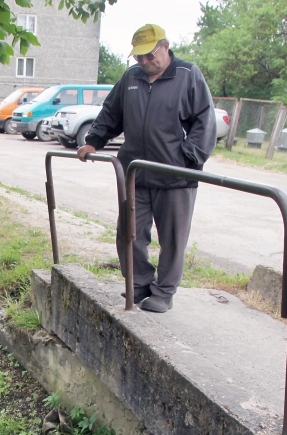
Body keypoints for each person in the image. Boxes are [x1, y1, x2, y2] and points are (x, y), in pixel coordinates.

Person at [77, 24, 216, 313]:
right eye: (138, 56)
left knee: (172, 239)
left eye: (149, 55)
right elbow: (111, 113)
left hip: (176, 176)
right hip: (135, 173)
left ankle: (164, 291)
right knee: (129, 233)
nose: (144, 61)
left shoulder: (188, 75)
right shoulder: (131, 77)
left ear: (165, 47)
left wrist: (188, 158)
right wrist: (93, 141)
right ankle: (138, 282)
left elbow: (205, 120)